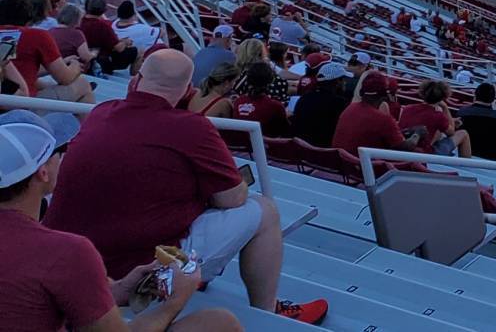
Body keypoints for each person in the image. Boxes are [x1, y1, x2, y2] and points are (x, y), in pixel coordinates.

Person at [41, 49, 323, 323]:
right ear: (188, 89)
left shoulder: (102, 112)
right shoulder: (192, 128)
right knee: (265, 209)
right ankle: (267, 313)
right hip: (134, 267)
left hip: (69, 260)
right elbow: (233, 199)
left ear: (135, 80)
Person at [0, 120, 246, 332]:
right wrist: (176, 300)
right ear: (43, 173)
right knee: (220, 323)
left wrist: (120, 289)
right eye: (59, 151)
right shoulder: (64, 252)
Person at [2, 0, 91, 103]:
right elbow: (65, 78)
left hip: (10, 95)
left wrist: (61, 62)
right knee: (83, 84)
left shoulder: (8, 42)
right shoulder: (36, 35)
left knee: (43, 84)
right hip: (21, 103)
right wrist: (75, 65)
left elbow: (18, 70)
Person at [331, 74, 406, 155]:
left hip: (340, 162)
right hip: (361, 165)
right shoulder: (383, 119)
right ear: (384, 95)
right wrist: (417, 134)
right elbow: (404, 147)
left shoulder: (350, 108)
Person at [286, 63, 351, 148]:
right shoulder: (339, 103)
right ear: (338, 81)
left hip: (298, 148)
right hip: (319, 152)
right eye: (343, 79)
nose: (345, 82)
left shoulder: (305, 97)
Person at [397, 80, 469, 157]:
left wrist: (451, 121)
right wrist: (445, 108)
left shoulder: (407, 108)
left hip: (404, 148)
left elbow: (423, 120)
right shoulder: (438, 115)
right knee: (463, 133)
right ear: (443, 97)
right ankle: (467, 165)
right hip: (425, 154)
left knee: (438, 131)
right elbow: (451, 132)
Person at [455, 83, 496, 161]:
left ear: (475, 96)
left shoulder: (462, 113)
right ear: (493, 99)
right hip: (495, 161)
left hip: (467, 157)